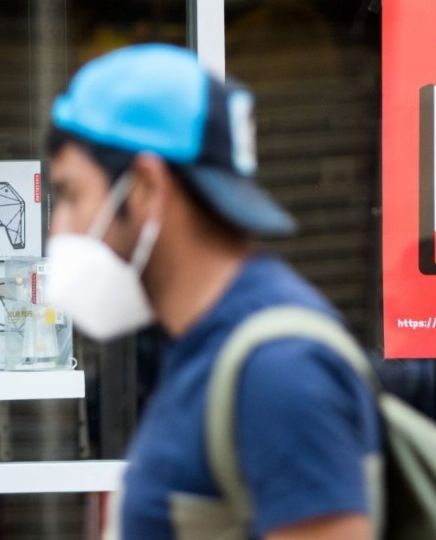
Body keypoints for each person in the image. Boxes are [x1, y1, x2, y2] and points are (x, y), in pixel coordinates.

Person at [45, 44, 379, 539]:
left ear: (145, 188)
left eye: (71, 195)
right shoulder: (203, 347)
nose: (59, 227)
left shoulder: (280, 370)